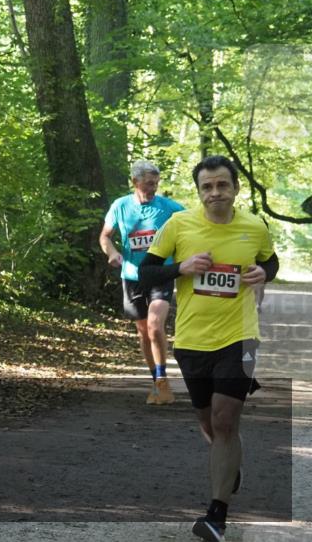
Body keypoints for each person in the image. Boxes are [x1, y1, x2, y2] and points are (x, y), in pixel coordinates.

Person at [139, 155, 279, 542]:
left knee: (225, 420)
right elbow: (146, 272)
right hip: (192, 340)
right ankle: (228, 464)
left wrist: (263, 273)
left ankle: (216, 516)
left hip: (240, 336)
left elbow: (271, 262)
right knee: (209, 424)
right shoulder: (179, 225)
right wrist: (180, 268)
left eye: (222, 185)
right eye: (207, 186)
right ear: (199, 191)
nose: (215, 192)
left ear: (235, 188)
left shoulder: (254, 226)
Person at [99, 160, 185, 404]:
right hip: (132, 276)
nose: (153, 188)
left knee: (155, 326)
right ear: (135, 182)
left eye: (156, 183)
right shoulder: (120, 206)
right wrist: (112, 253)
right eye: (148, 183)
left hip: (160, 274)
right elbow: (105, 236)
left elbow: (194, 225)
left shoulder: (170, 207)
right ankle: (155, 380)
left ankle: (162, 380)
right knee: (144, 331)